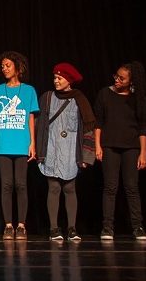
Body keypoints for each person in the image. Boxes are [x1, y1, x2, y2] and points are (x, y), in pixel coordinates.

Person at [0, 51, 39, 240]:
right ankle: (8, 226)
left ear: (17, 67)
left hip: (22, 143)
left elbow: (31, 117)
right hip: (3, 144)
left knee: (21, 185)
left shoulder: (28, 90)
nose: (4, 68)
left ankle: (21, 225)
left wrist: (33, 143)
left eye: (8, 65)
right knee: (6, 185)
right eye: (3, 66)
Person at [36, 62, 95, 241]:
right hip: (51, 149)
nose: (56, 81)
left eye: (60, 78)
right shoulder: (47, 97)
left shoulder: (79, 99)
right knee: (53, 187)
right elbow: (39, 125)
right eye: (55, 77)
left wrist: (87, 155)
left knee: (70, 188)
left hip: (71, 151)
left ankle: (72, 228)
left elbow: (89, 128)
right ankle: (54, 229)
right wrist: (38, 150)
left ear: (69, 80)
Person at [94, 61, 146, 241]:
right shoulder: (104, 94)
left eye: (122, 78)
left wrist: (143, 152)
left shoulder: (138, 98)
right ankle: (107, 227)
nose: (117, 80)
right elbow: (98, 123)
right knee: (110, 188)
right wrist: (97, 146)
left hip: (132, 147)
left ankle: (138, 226)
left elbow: (143, 127)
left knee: (132, 188)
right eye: (116, 76)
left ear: (131, 81)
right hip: (109, 146)